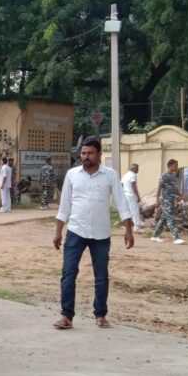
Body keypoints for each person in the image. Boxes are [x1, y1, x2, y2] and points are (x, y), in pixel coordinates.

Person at [52, 138, 134, 330]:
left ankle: (100, 314)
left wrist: (128, 230)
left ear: (98, 155)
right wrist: (58, 232)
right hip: (75, 231)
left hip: (101, 233)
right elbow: (64, 206)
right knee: (68, 273)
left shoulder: (110, 175)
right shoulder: (72, 175)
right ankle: (66, 316)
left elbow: (122, 203)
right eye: (83, 153)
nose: (85, 157)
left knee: (101, 275)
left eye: (89, 153)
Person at [151, 159, 185, 245]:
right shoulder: (164, 176)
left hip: (171, 199)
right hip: (166, 200)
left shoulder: (173, 176)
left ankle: (155, 236)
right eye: (175, 165)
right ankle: (176, 237)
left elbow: (175, 188)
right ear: (170, 165)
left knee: (164, 218)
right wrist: (157, 199)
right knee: (170, 217)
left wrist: (180, 196)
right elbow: (159, 187)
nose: (177, 167)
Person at [121, 164, 144, 230]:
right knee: (135, 211)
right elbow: (133, 186)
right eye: (137, 168)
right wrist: (138, 196)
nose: (138, 170)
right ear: (133, 169)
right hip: (131, 195)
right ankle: (136, 227)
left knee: (127, 211)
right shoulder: (133, 175)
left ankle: (127, 226)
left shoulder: (125, 175)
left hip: (125, 194)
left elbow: (121, 185)